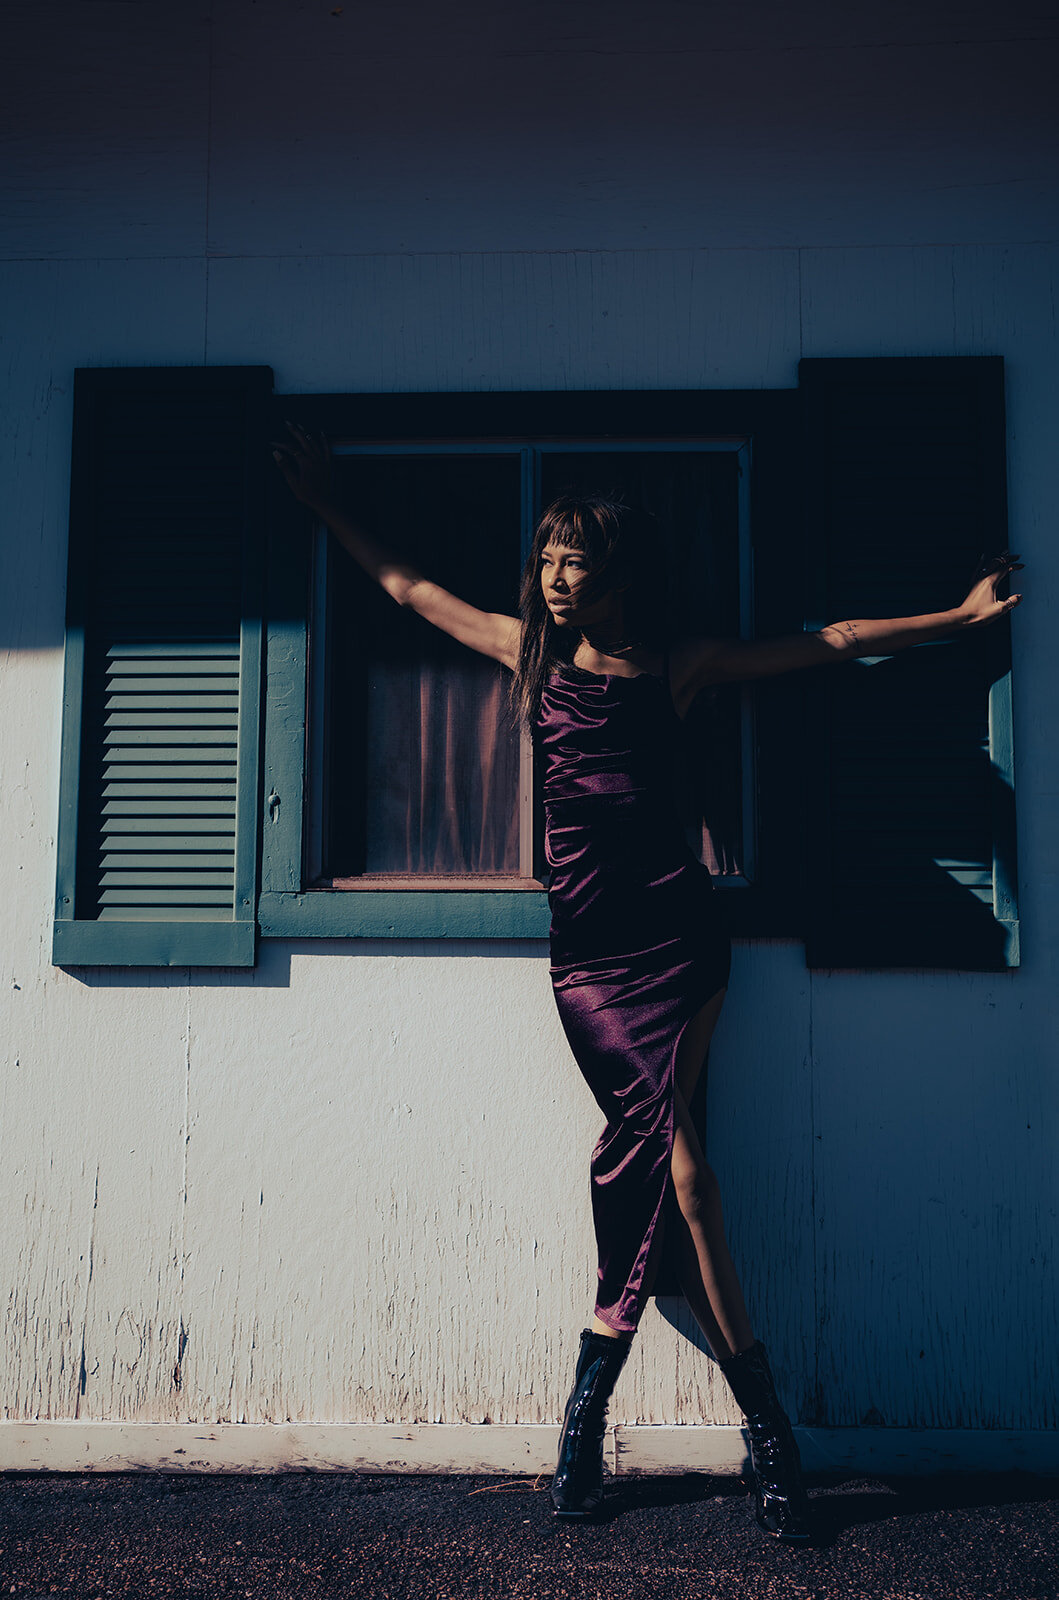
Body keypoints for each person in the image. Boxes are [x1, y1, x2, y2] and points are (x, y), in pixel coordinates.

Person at [273, 422, 1024, 1544]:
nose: (552, 577)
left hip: (679, 940)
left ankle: (636, 1430)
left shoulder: (678, 667)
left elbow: (828, 643)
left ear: (616, 573)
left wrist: (956, 621)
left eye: (573, 560)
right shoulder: (528, 657)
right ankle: (736, 1427)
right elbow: (410, 591)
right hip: (586, 959)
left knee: (683, 1174)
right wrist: (326, 503)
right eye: (544, 558)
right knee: (665, 1166)